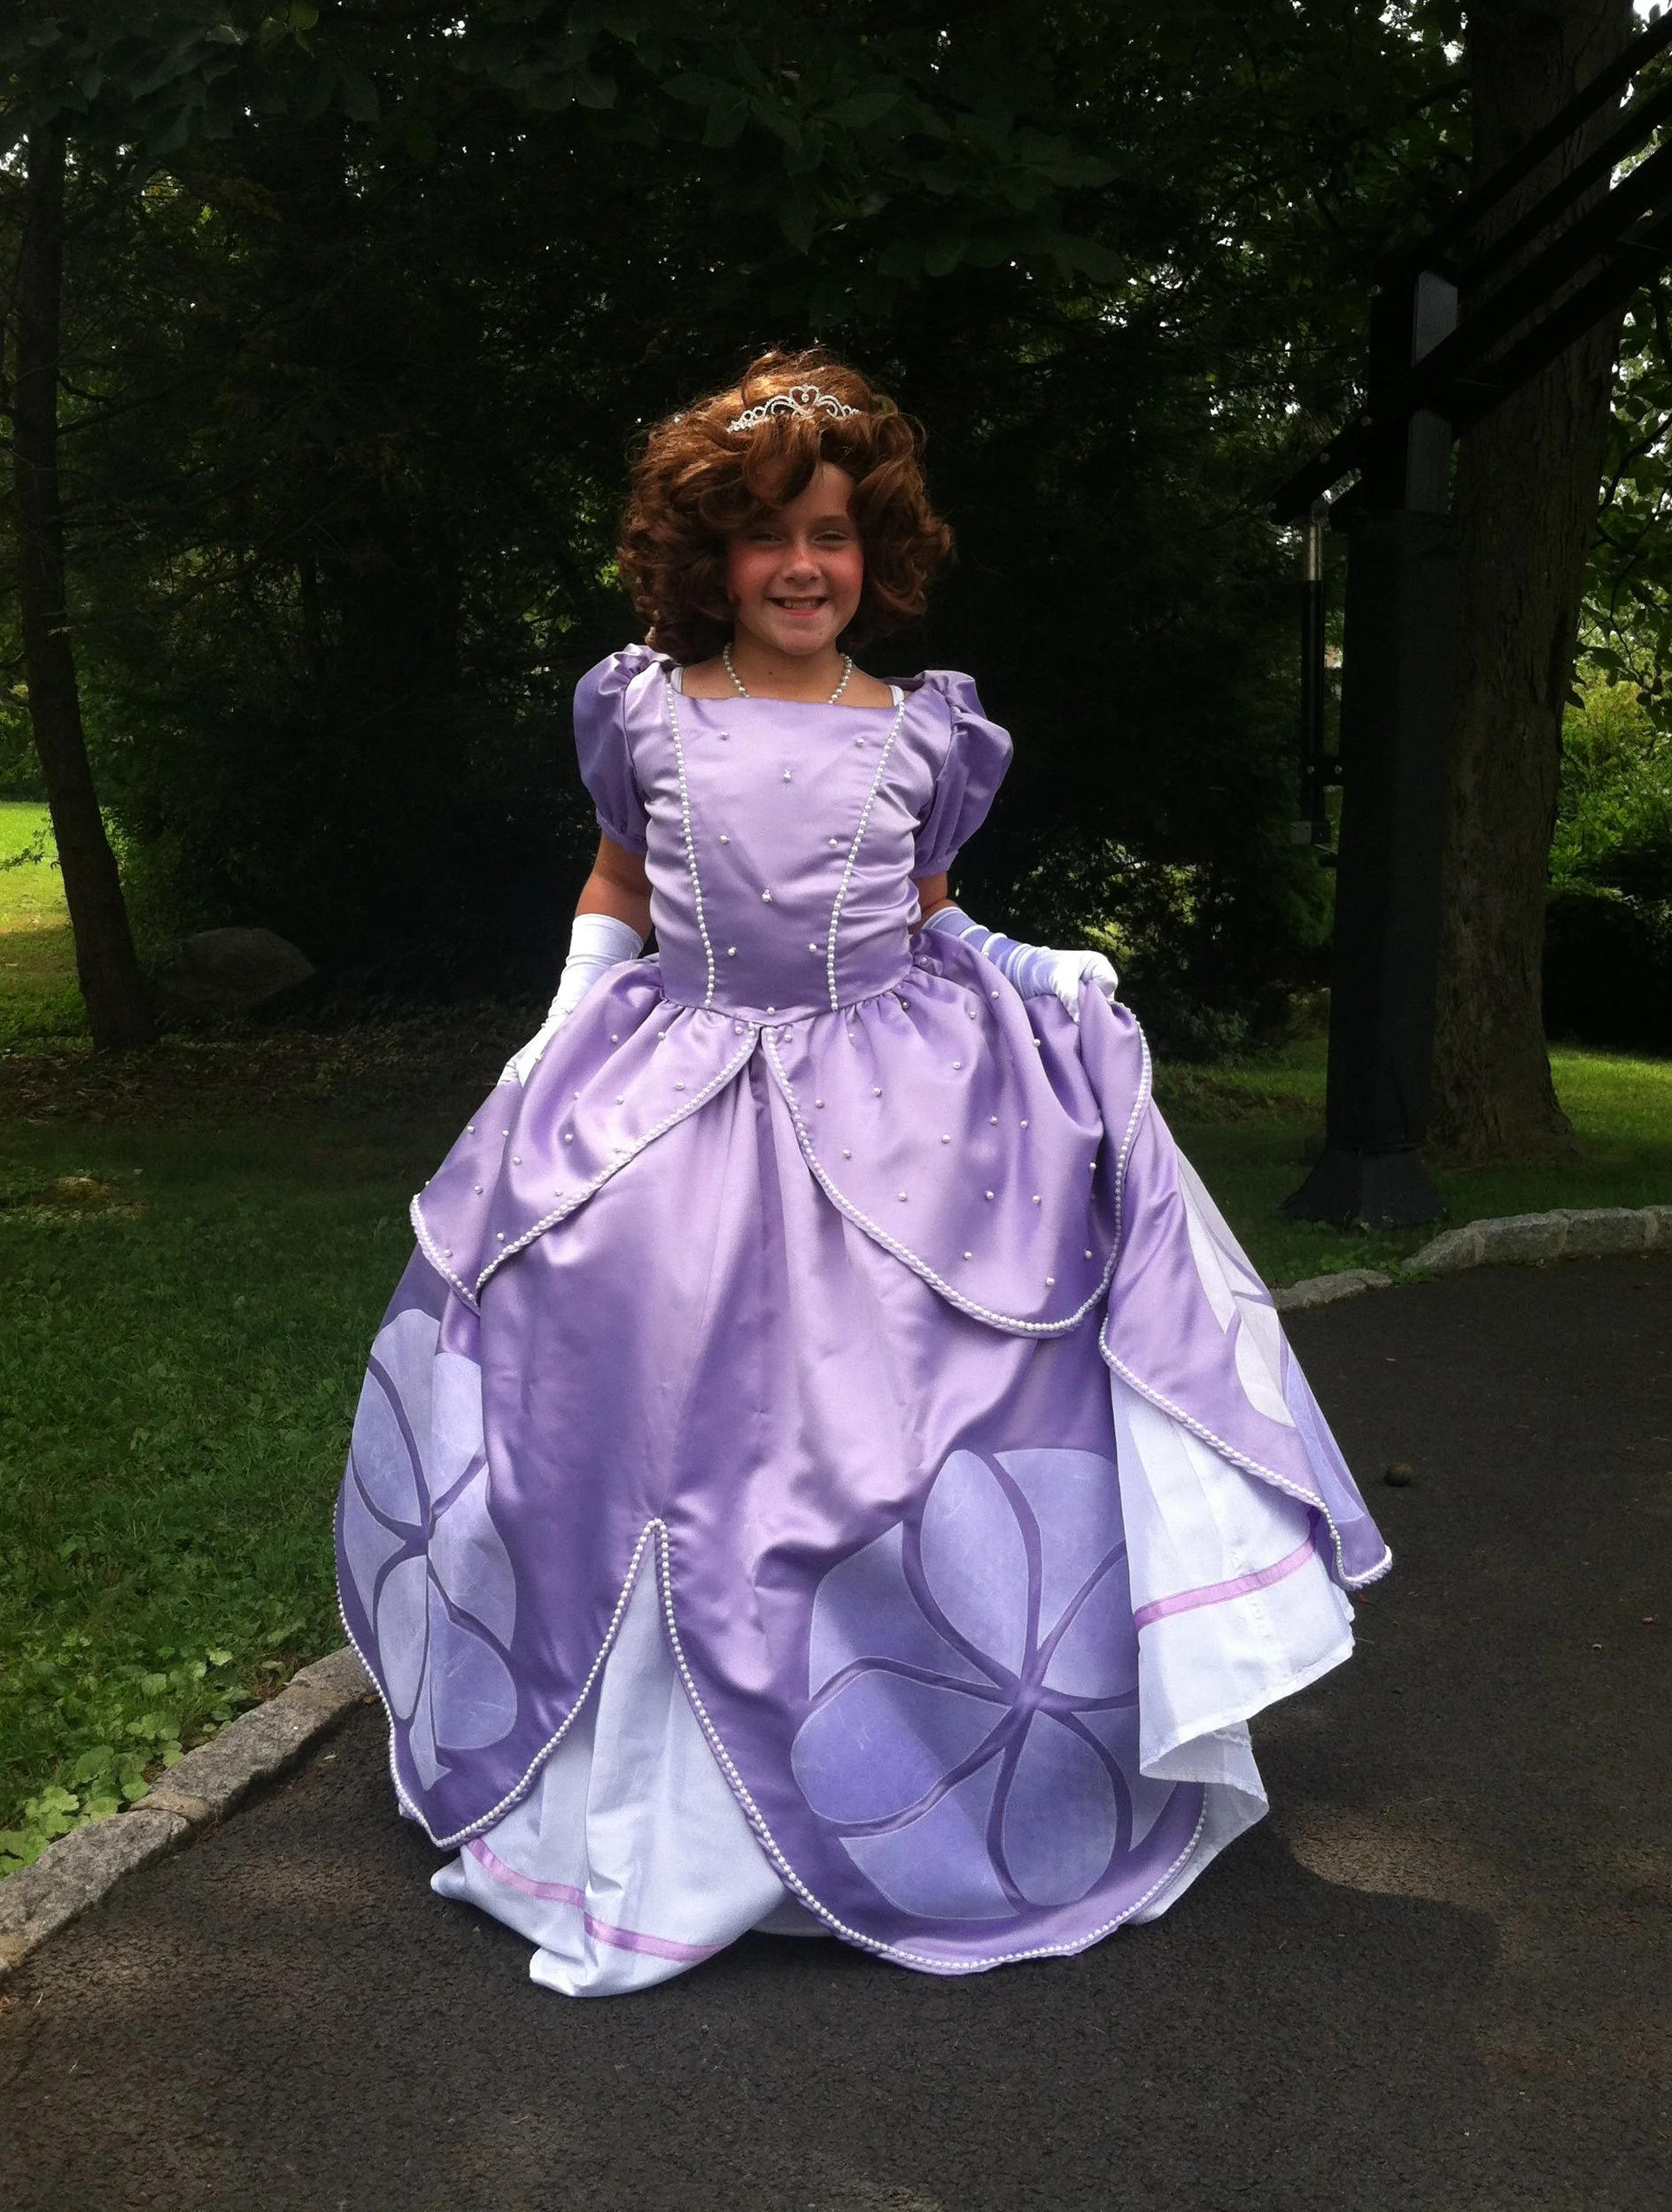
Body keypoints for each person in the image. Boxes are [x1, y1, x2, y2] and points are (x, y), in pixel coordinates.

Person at [336, 351, 1389, 1998]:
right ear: (711, 560)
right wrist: (563, 1020)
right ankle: (636, 1774)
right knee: (626, 1386)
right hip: (669, 1090)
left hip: (885, 1105)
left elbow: (926, 912)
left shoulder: (920, 733)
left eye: (830, 532)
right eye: (766, 538)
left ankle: (885, 1762)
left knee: (885, 1420)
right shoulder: (641, 710)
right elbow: (619, 882)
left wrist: (1031, 967)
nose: (804, 567)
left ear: (875, 546)